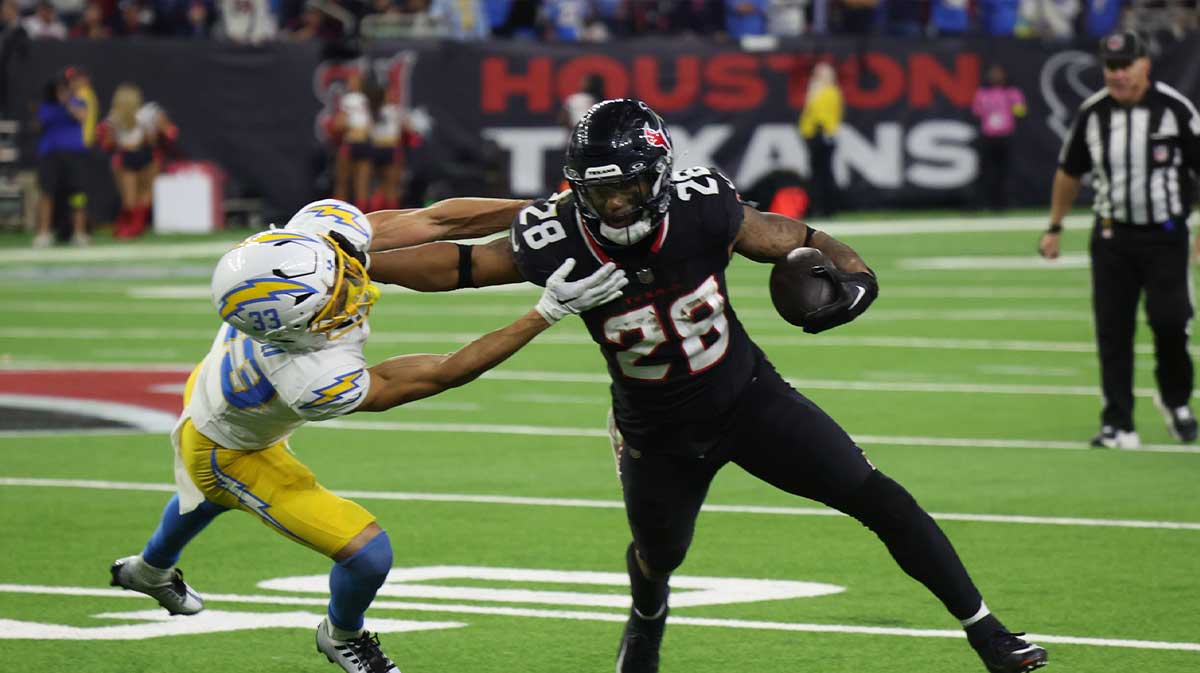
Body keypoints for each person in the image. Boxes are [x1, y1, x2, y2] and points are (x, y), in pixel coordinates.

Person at [367, 99, 1050, 673]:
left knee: (875, 494)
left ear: (659, 177)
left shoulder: (703, 204)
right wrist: (365, 263)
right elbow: (456, 265)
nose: (614, 202)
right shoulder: (559, 236)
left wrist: (859, 277)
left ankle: (988, 632)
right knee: (659, 554)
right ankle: (646, 616)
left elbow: (795, 235)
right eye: (600, 189)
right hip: (655, 428)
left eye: (628, 187)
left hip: (747, 396)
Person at [108, 197, 627, 673]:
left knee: (205, 496)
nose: (354, 286)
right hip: (232, 450)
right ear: (295, 329)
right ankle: (342, 633)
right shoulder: (312, 377)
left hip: (215, 396)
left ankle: (149, 571)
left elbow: (438, 220)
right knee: (365, 553)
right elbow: (439, 373)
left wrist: (550, 206)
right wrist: (545, 312)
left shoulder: (315, 243)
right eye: (333, 297)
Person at [1038, 31, 1200, 449]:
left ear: (1144, 64)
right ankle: (1118, 423)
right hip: (1112, 236)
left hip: (1166, 235)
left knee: (1171, 322)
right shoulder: (1093, 113)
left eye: (1126, 65)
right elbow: (1069, 171)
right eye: (1111, 67)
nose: (1118, 74)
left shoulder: (1175, 110)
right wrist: (1055, 226)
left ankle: (1176, 400)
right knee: (1113, 331)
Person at [32, 72, 90, 247]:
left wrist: (67, 103)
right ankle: (44, 233)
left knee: (78, 194)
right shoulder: (47, 107)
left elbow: (83, 117)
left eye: (64, 88)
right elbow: (39, 125)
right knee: (47, 192)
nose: (61, 92)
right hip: (51, 154)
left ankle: (80, 233)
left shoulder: (78, 102)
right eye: (58, 89)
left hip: (74, 154)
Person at [96, 83, 158, 238]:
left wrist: (145, 129)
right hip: (126, 156)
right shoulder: (113, 118)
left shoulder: (145, 115)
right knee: (129, 199)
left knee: (145, 196)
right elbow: (108, 143)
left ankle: (137, 227)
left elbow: (151, 141)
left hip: (144, 155)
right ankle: (126, 226)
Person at [971, 64, 1026, 211]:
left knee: (1004, 172)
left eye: (999, 74)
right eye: (993, 74)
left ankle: (1003, 204)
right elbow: (976, 112)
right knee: (985, 171)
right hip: (988, 136)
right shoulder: (982, 93)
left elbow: (1021, 112)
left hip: (1005, 136)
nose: (996, 77)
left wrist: (1012, 104)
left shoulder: (1012, 93)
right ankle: (981, 203)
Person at [799, 61, 842, 218]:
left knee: (823, 174)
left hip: (822, 134)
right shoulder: (818, 91)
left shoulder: (829, 91)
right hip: (815, 134)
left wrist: (821, 131)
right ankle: (820, 207)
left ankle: (827, 207)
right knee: (818, 174)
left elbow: (822, 116)